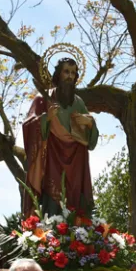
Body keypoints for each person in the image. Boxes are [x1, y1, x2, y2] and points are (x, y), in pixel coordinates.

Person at [22, 58, 99, 217]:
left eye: (73, 73)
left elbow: (90, 143)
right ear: (58, 74)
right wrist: (46, 118)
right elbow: (28, 126)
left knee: (77, 207)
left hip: (77, 164)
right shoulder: (42, 99)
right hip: (53, 160)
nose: (70, 76)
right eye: (66, 72)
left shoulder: (78, 103)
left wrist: (90, 123)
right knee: (53, 205)